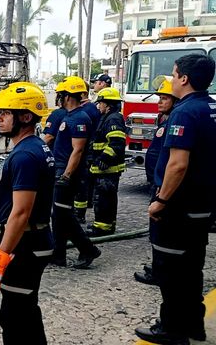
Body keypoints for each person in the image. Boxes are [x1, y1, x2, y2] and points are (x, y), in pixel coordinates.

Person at [135, 54, 216, 344]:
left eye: (173, 73)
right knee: (192, 268)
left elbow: (177, 164)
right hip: (202, 206)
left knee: (170, 272)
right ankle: (194, 324)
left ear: (183, 78)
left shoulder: (183, 112)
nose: (170, 79)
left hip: (178, 209)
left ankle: (172, 329)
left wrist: (162, 201)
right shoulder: (212, 107)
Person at [0, 82, 55, 345]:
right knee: (26, 311)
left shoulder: (24, 155)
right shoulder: (36, 146)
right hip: (35, 240)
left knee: (14, 317)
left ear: (25, 116)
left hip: (27, 245)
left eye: (6, 113)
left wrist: (0, 258)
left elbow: (20, 213)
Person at [50, 76, 101, 269]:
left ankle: (88, 249)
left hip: (67, 174)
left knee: (63, 215)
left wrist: (66, 175)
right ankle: (59, 254)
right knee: (59, 215)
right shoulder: (69, 116)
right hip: (61, 170)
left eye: (60, 95)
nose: (59, 98)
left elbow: (77, 150)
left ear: (67, 96)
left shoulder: (80, 118)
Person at [135, 76, 178, 287]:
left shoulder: (173, 122)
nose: (159, 102)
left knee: (159, 229)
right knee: (156, 229)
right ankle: (158, 265)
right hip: (156, 181)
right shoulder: (165, 119)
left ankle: (160, 271)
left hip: (161, 185)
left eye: (164, 98)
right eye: (159, 97)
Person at [85, 87, 126, 237]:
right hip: (105, 167)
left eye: (100, 103)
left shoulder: (113, 118)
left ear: (108, 104)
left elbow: (116, 142)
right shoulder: (108, 117)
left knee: (103, 199)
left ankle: (102, 228)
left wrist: (104, 159)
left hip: (108, 168)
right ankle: (106, 225)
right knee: (105, 197)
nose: (98, 106)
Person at [74, 80, 101, 223]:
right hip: (89, 148)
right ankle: (86, 203)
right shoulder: (91, 108)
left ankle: (79, 213)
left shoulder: (86, 110)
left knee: (83, 182)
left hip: (87, 149)